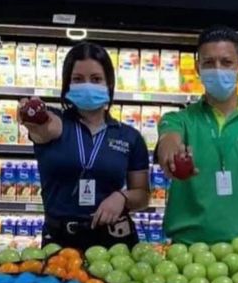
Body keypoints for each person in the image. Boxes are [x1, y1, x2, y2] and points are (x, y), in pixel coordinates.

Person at [156, 26, 238, 245]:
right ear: (198, 68)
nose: (217, 70)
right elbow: (168, 138)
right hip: (187, 254)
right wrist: (171, 152)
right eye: (209, 63)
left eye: (226, 62)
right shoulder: (179, 120)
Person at [21, 42, 150, 251]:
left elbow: (142, 195)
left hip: (114, 242)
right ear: (67, 85)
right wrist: (33, 116)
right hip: (61, 241)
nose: (87, 86)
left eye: (96, 79)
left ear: (109, 84)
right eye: (78, 79)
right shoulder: (57, 122)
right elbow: (45, 129)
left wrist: (122, 197)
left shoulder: (129, 137)